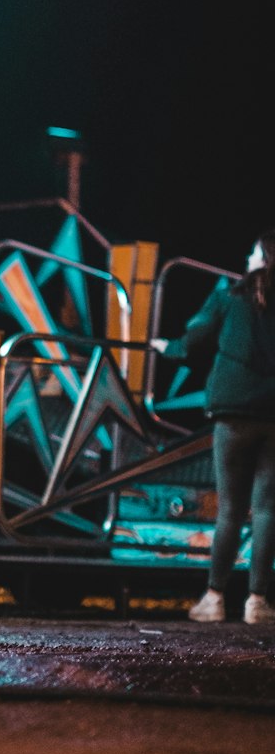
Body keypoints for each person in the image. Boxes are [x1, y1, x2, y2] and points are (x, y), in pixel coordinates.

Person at [152, 228, 275, 623]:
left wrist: (166, 348)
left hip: (233, 414)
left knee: (230, 512)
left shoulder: (228, 295)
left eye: (251, 253)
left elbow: (192, 343)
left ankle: (215, 597)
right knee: (267, 510)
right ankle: (257, 602)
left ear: (260, 258)